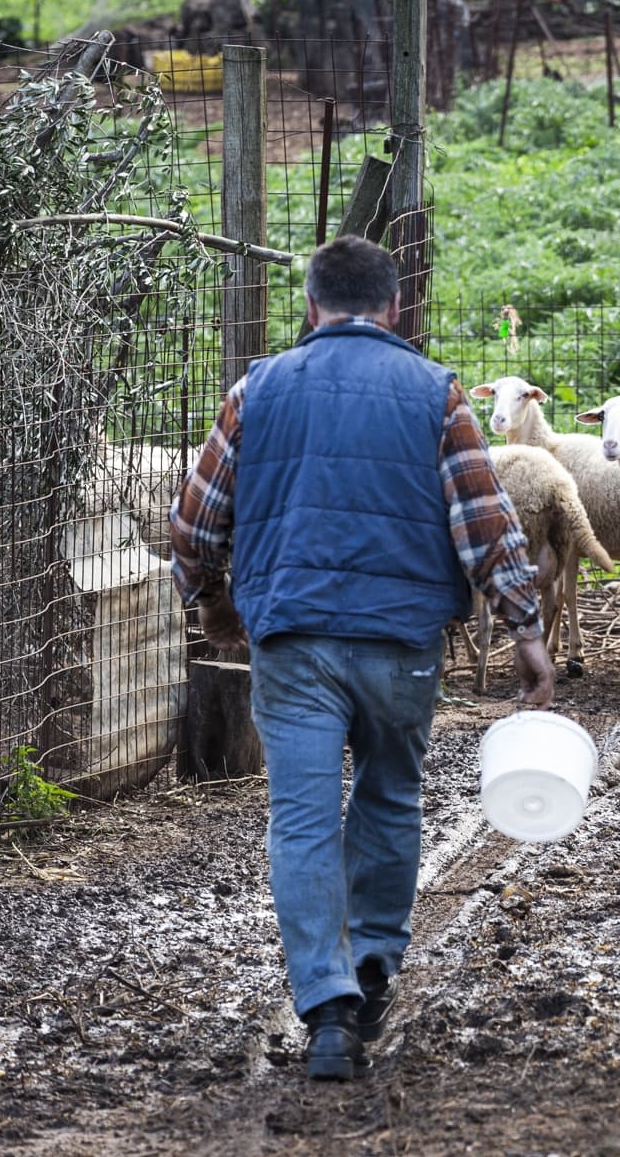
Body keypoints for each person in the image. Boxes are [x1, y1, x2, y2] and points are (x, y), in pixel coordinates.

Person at [170, 236, 555, 1081]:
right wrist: (526, 629)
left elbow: (196, 521)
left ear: (310, 307)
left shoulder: (256, 389)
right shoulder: (435, 393)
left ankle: (328, 1006)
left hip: (294, 641)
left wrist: (211, 603)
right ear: (393, 310)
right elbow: (484, 520)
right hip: (402, 641)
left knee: (302, 819)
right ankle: (375, 962)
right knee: (389, 796)